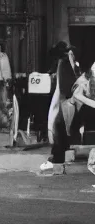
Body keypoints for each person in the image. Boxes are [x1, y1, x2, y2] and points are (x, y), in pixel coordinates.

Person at [42, 43, 82, 173]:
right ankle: (57, 157)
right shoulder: (64, 64)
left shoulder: (72, 65)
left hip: (69, 101)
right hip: (66, 100)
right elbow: (65, 85)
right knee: (59, 126)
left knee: (60, 127)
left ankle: (58, 157)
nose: (71, 56)